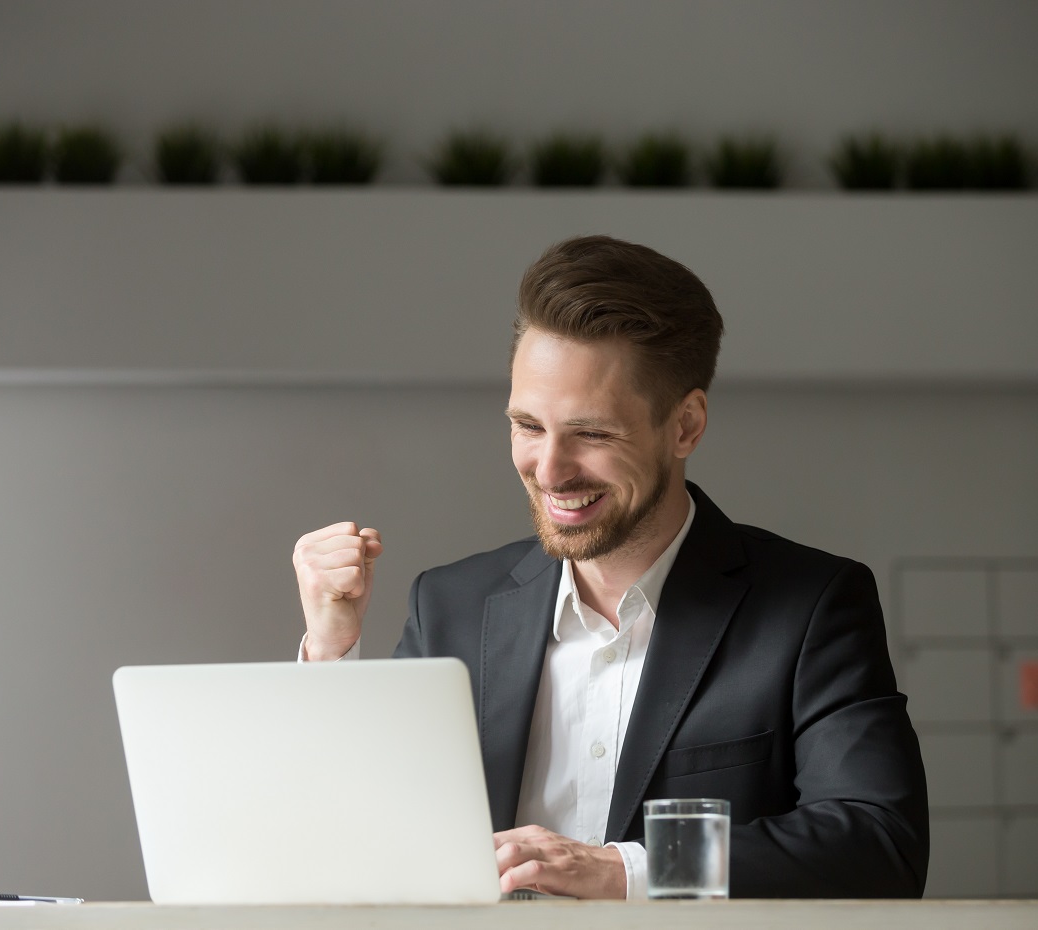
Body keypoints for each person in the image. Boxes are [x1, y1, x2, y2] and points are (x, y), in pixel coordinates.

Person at [292, 235, 928, 899]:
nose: (549, 469)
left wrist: (621, 871)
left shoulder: (811, 606)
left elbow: (880, 844)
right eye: (527, 425)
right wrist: (332, 656)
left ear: (684, 425)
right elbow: (361, 835)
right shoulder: (449, 604)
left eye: (590, 434)